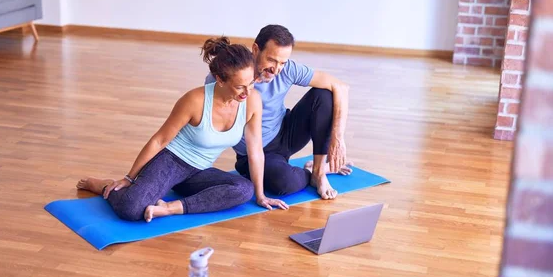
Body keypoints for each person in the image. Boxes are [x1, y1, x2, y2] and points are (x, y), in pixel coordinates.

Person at [77, 37, 288, 223]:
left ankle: (170, 208)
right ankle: (107, 187)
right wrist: (129, 178)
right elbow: (159, 140)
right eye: (240, 86)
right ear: (220, 80)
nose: (247, 91)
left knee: (243, 190)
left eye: (251, 83)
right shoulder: (195, 100)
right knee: (131, 209)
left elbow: (255, 150)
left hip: (199, 171)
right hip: (171, 161)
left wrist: (260, 196)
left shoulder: (253, 101)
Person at [205, 24, 352, 200]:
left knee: (324, 95)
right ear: (255, 49)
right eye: (272, 60)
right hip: (255, 152)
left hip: (286, 133)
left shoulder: (287, 68)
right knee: (284, 183)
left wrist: (337, 138)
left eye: (282, 62)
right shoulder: (227, 77)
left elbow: (341, 87)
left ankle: (319, 173)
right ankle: (309, 171)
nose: (276, 69)